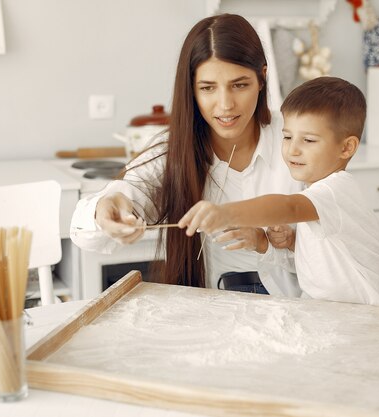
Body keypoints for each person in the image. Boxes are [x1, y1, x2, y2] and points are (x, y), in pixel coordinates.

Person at [70, 13, 303, 296]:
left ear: (262, 79)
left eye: (239, 85)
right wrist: (108, 207)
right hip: (213, 309)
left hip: (300, 306)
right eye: (207, 88)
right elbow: (89, 233)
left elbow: (334, 247)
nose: (225, 105)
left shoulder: (298, 137)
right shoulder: (174, 149)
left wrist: (267, 243)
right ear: (191, 89)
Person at [178, 76, 379, 307]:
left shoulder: (337, 189)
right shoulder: (319, 199)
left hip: (363, 316)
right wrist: (286, 242)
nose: (293, 149)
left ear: (346, 147)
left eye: (308, 140)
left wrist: (225, 213)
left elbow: (289, 206)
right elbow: (323, 261)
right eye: (288, 136)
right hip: (328, 312)